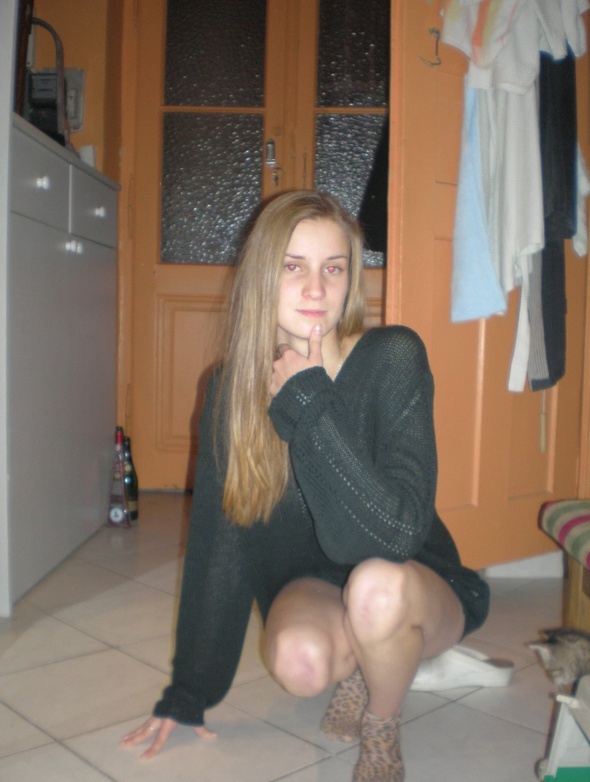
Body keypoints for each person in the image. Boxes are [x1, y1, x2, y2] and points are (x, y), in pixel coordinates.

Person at [120, 190, 490, 781]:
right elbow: (220, 548)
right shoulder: (230, 391)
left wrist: (308, 401)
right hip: (311, 586)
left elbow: (392, 538)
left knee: (375, 589)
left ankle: (381, 720)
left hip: (413, 579)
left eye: (333, 269)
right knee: (298, 663)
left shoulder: (393, 357)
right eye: (293, 267)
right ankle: (372, 658)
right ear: (261, 277)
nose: (316, 288)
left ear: (350, 282)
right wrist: (188, 694)